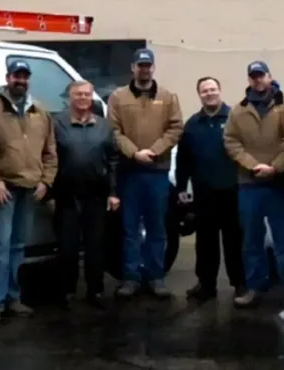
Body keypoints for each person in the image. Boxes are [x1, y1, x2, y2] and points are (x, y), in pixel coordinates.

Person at [0, 60, 58, 328]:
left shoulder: (40, 111)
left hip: (30, 189)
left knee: (18, 246)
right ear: (7, 77)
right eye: (16, 76)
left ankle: (12, 297)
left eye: (24, 76)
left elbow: (50, 151)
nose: (21, 81)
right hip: (3, 191)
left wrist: (46, 181)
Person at [223, 61, 284, 307]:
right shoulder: (238, 110)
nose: (257, 80)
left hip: (279, 184)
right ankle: (255, 287)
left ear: (269, 76)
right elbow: (231, 141)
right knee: (251, 240)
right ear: (249, 79)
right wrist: (253, 165)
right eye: (253, 76)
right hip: (249, 183)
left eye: (261, 75)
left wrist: (275, 167)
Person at [108, 48, 183, 298]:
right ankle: (130, 278)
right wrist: (134, 153)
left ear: (153, 67)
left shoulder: (168, 97)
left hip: (157, 172)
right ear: (133, 68)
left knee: (157, 228)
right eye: (140, 65)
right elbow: (113, 131)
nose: (144, 69)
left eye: (148, 65)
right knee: (129, 229)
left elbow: (175, 128)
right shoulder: (118, 97)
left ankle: (156, 277)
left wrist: (154, 151)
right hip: (129, 172)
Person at [175, 76, 245, 301]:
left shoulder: (235, 118)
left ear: (220, 91)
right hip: (204, 192)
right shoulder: (192, 125)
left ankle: (240, 283)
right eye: (205, 91)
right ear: (199, 95)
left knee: (234, 240)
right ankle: (206, 284)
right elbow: (184, 160)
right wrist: (181, 187)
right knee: (205, 242)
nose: (209, 93)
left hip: (233, 190)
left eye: (213, 89)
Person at [52, 80, 120, 309]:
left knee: (96, 246)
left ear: (92, 97)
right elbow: (48, 157)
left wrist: (113, 192)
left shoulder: (104, 126)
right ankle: (67, 291)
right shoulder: (56, 123)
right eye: (78, 94)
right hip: (66, 194)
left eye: (87, 94)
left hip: (96, 194)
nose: (82, 98)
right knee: (67, 247)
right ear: (69, 97)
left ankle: (95, 291)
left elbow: (113, 160)